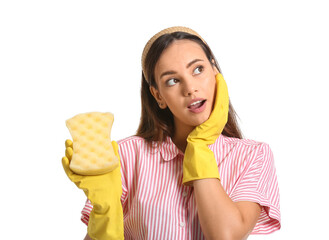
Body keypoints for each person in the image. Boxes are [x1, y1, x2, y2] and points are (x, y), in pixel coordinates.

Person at [63, 26, 281, 240]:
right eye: (172, 81)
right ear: (158, 96)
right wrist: (105, 210)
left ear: (216, 73)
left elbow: (226, 236)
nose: (190, 88)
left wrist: (199, 145)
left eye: (198, 69)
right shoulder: (125, 155)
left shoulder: (253, 156)